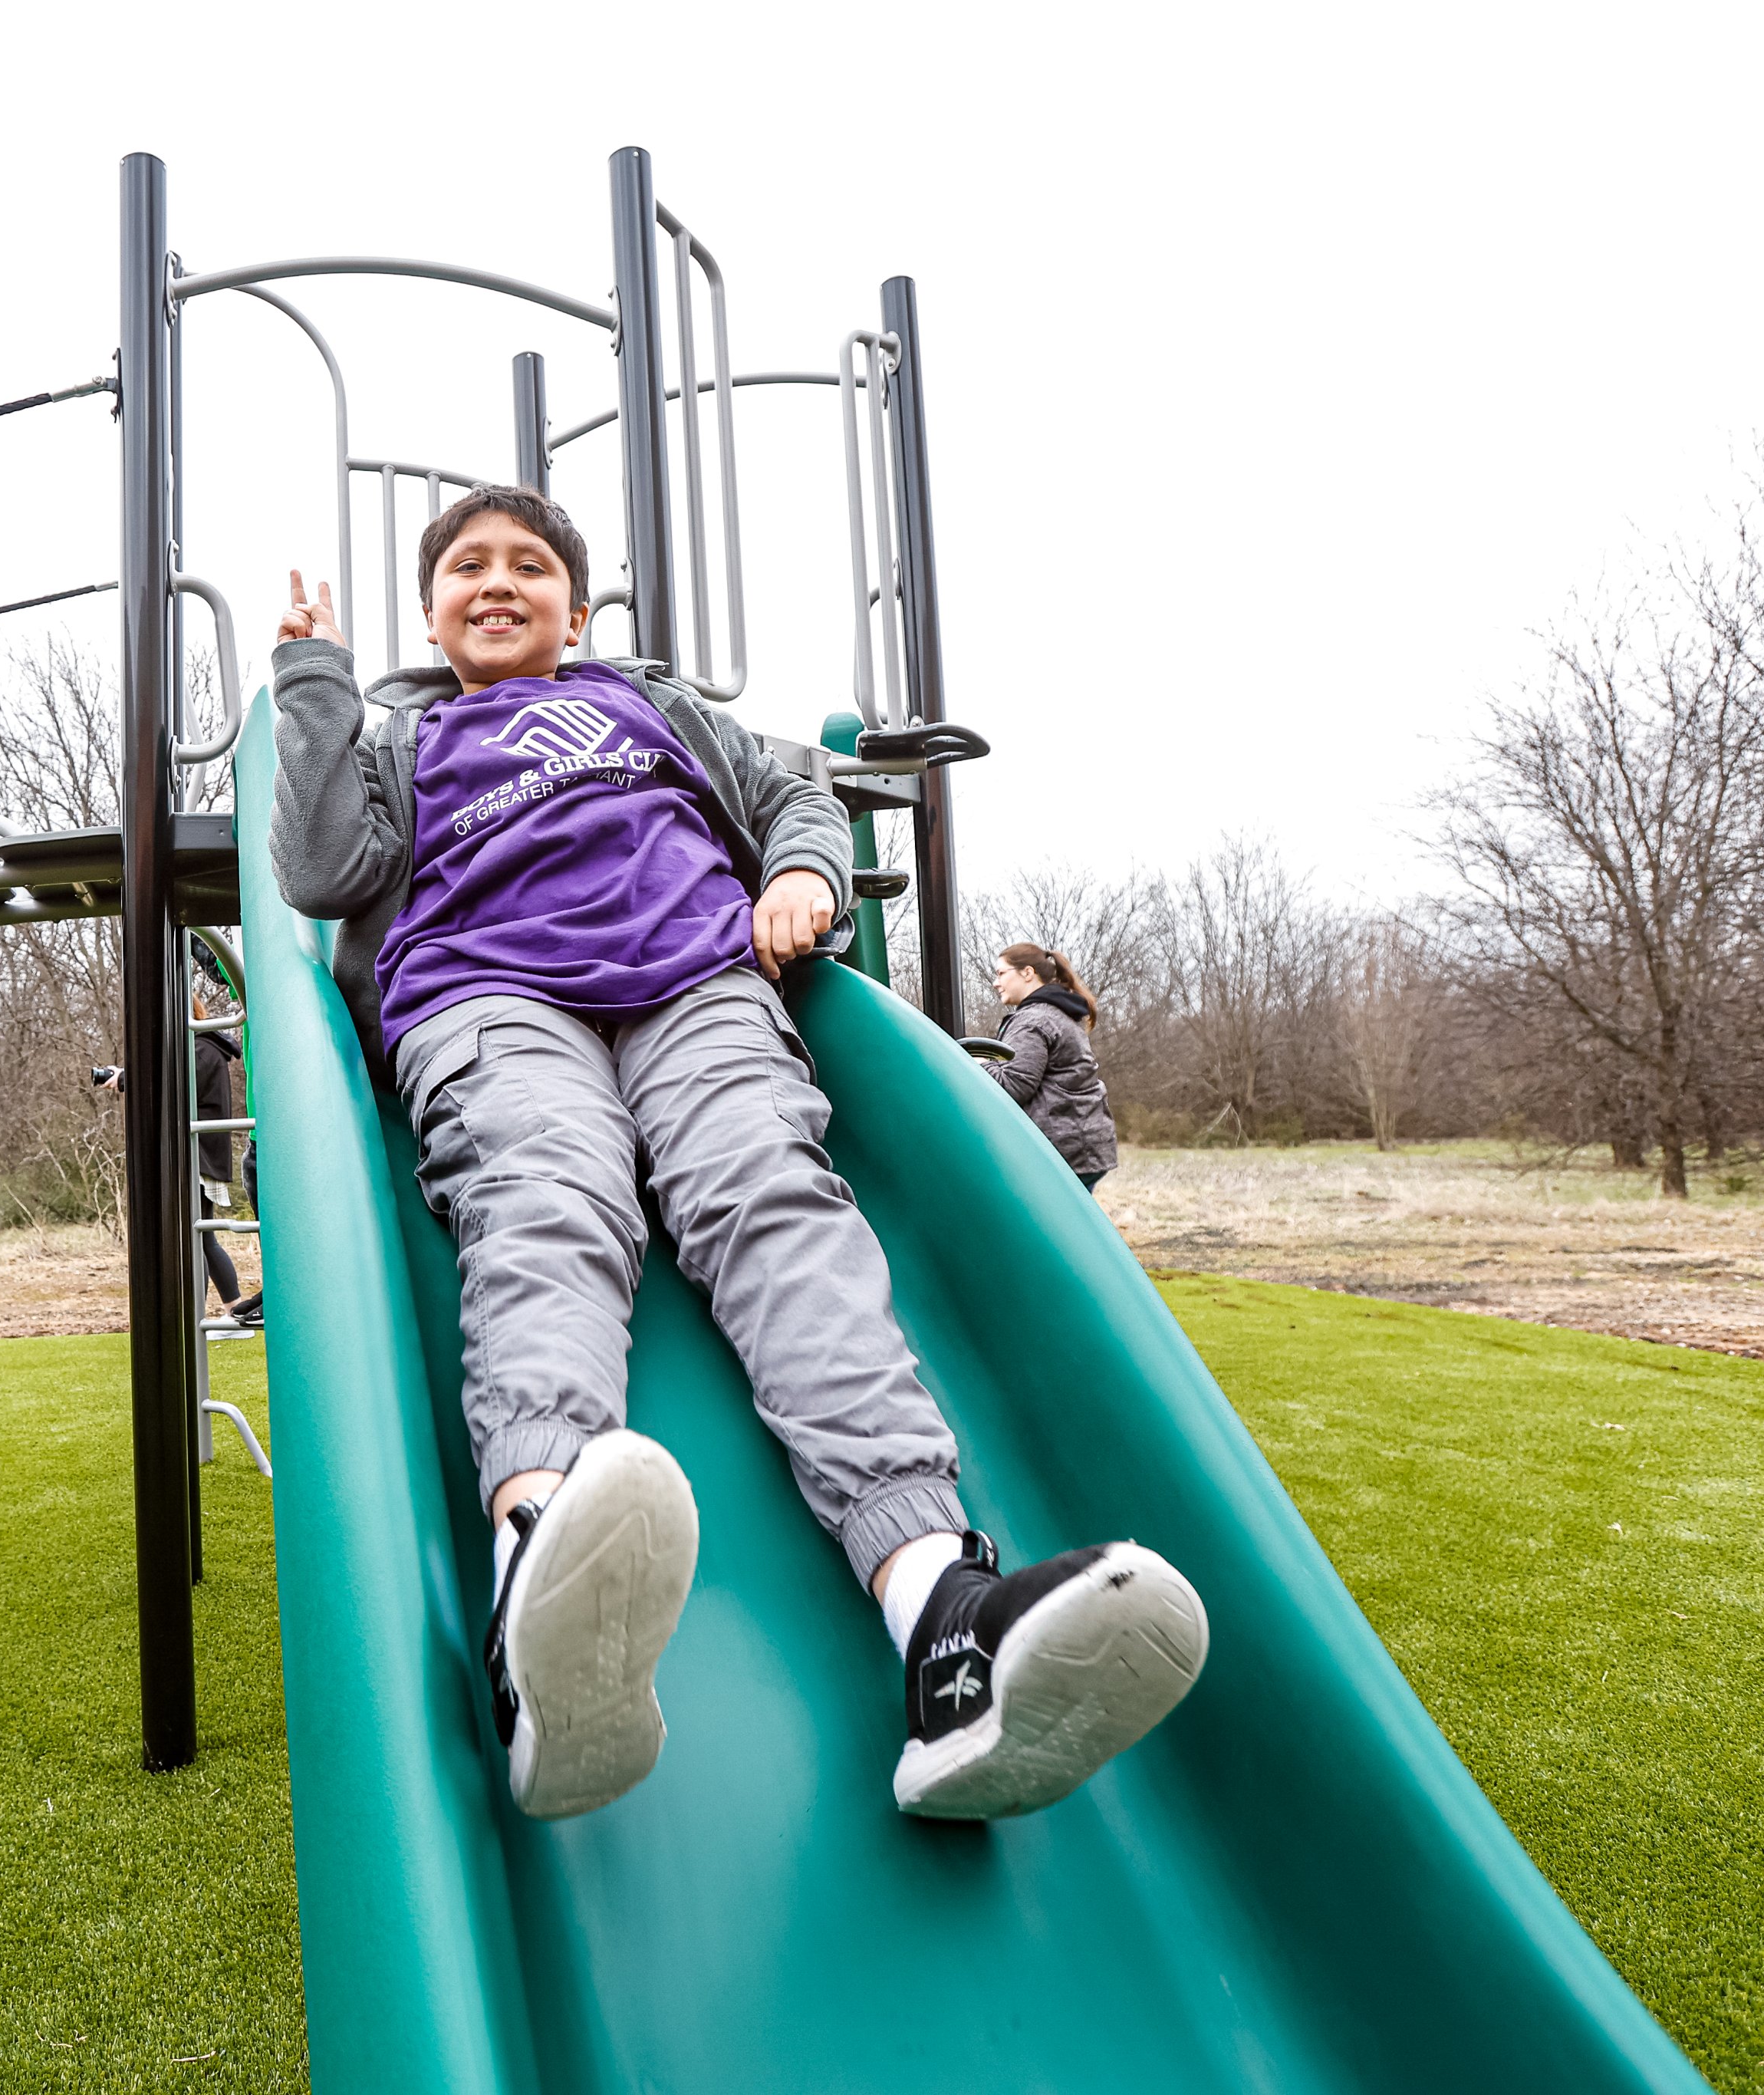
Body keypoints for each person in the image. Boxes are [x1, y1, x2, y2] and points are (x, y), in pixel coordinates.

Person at [269, 484, 1206, 1823]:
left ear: (573, 612)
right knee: (548, 1196)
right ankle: (536, 1584)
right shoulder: (406, 736)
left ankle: (943, 1621)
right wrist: (314, 682)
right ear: (429, 614)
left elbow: (792, 794)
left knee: (776, 1201)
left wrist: (804, 875)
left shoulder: (648, 703)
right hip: (488, 998)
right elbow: (319, 869)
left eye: (528, 567)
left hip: (695, 982)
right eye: (466, 567)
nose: (496, 582)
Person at [989, 943, 1118, 1192]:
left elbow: (1014, 1085)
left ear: (1027, 973)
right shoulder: (1059, 1012)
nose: (996, 982)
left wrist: (980, 1063)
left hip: (1062, 1150)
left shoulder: (1034, 1020)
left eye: (1001, 973)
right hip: (1083, 1145)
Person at [191, 948, 262, 1328]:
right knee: (202, 1238)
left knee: (199, 1238)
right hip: (216, 1149)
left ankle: (200, 1315)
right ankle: (233, 1305)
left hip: (201, 1154)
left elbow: (178, 1089)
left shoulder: (202, 1049)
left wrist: (202, 946)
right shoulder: (208, 1047)